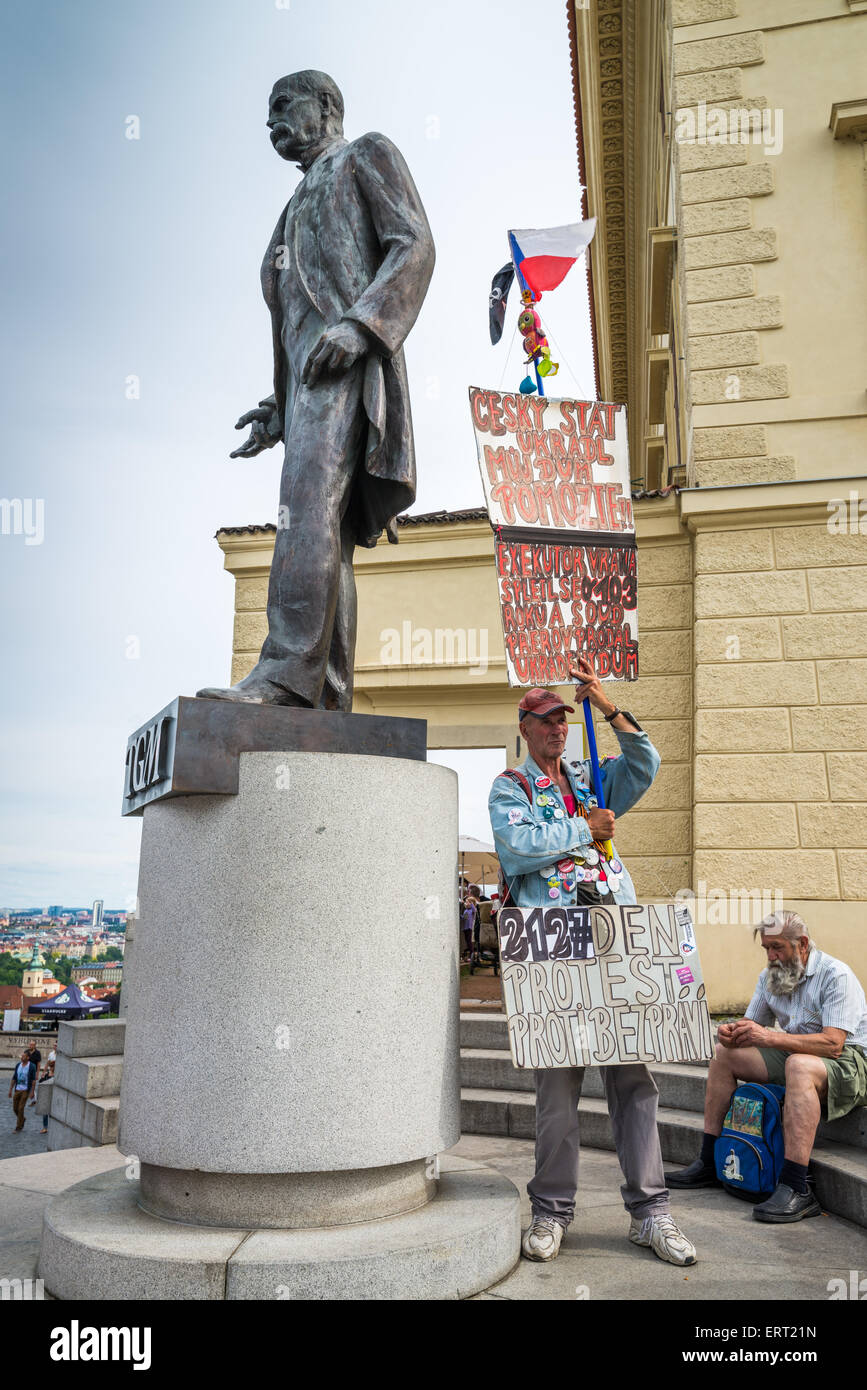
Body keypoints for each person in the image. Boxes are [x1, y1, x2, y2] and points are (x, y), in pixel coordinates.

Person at [197, 70, 435, 711]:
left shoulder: (365, 154)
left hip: (350, 369)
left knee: (304, 516)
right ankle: (325, 697)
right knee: (324, 530)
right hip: (308, 389)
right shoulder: (290, 210)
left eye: (282, 105)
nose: (270, 121)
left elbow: (413, 244)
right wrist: (279, 406)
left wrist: (362, 326)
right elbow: (296, 320)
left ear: (325, 105)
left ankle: (283, 675)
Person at [488, 656, 696, 1266]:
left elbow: (645, 765)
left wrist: (604, 705)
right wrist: (585, 828)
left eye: (562, 719)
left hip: (615, 937)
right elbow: (517, 849)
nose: (557, 728)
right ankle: (551, 1211)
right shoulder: (512, 787)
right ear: (524, 727)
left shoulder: (589, 778)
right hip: (552, 943)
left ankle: (651, 1213)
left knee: (634, 1078)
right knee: (557, 1086)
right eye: (546, 720)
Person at [666, 910, 867, 1221]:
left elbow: (833, 1044)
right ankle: (708, 1161)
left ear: (802, 944)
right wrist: (732, 1032)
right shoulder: (770, 976)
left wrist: (769, 1039)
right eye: (766, 949)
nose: (772, 956)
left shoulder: (835, 975)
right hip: (796, 1053)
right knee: (723, 1054)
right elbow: (752, 1026)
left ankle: (796, 1186)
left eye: (778, 948)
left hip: (849, 1061)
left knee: (799, 1065)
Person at [8, 1051, 36, 1132]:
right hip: (17, 1089)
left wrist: (32, 1092)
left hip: (25, 1090)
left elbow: (33, 1080)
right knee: (15, 1109)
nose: (22, 1057)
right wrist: (10, 1090)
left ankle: (18, 1127)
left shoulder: (31, 1066)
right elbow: (14, 1078)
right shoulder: (18, 1065)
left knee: (20, 1108)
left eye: (24, 1056)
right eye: (22, 1056)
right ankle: (22, 1119)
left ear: (28, 1058)